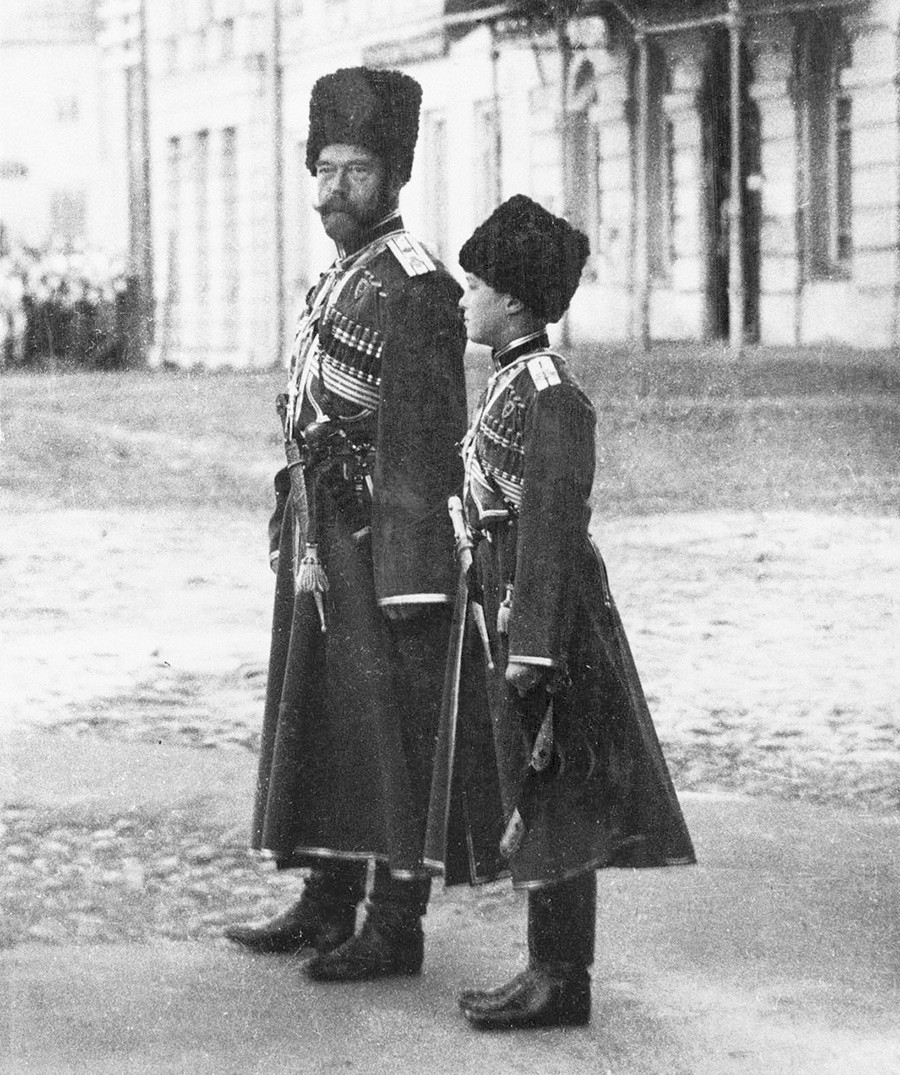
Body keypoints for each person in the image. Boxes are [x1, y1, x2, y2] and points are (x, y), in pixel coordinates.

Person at [423, 195, 696, 1029]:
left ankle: (561, 977)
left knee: (562, 800)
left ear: (511, 301)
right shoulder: (511, 380)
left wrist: (533, 648)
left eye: (474, 285)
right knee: (540, 797)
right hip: (515, 620)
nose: (463, 298)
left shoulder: (548, 394)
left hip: (554, 632)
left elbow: (549, 532)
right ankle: (546, 966)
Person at [224, 67, 468, 983]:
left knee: (386, 726)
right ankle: (326, 900)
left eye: (356, 171)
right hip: (321, 535)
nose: (333, 192)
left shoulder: (416, 286)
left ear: (398, 173)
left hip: (377, 546)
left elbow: (425, 438)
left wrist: (410, 577)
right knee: (322, 714)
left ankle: (393, 923)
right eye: (322, 169)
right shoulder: (343, 274)